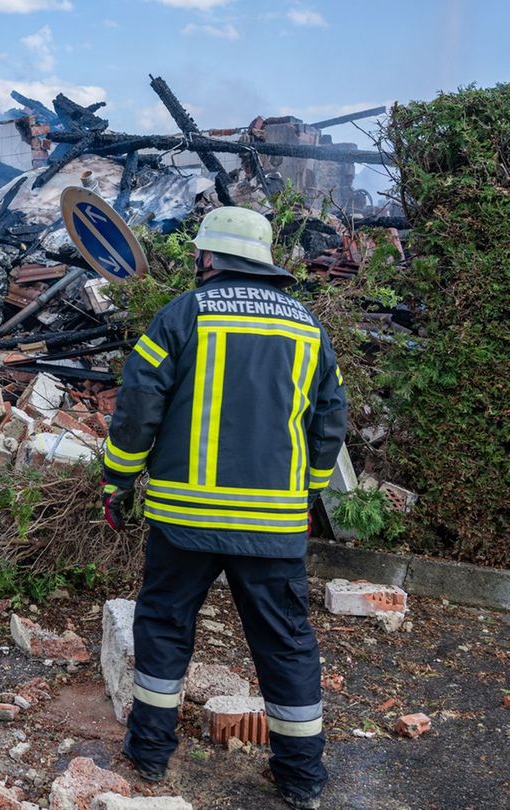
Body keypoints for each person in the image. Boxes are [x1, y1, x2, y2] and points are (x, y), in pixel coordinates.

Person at [100, 206, 347, 809]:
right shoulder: (307, 328)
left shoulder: (183, 314)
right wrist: (308, 491)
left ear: (208, 256)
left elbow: (138, 404)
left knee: (164, 626)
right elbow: (329, 421)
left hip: (184, 521)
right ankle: (301, 778)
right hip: (272, 525)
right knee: (285, 643)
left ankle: (150, 753)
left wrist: (118, 480)